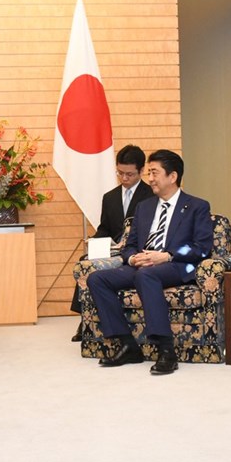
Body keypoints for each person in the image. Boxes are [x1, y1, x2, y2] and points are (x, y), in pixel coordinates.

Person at [86, 149, 213, 375]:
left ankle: (166, 350)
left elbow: (201, 247)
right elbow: (130, 245)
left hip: (176, 265)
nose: (150, 178)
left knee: (146, 275)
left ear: (172, 176)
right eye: (149, 173)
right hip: (143, 264)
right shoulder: (144, 207)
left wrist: (167, 255)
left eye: (155, 173)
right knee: (97, 279)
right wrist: (133, 257)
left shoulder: (197, 206)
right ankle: (127, 345)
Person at [70, 145, 153, 341]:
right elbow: (105, 228)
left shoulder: (151, 196)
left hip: (136, 250)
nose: (124, 178)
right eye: (120, 173)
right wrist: (95, 242)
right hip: (112, 249)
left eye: (129, 174)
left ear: (141, 171)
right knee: (85, 260)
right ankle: (85, 319)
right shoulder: (110, 197)